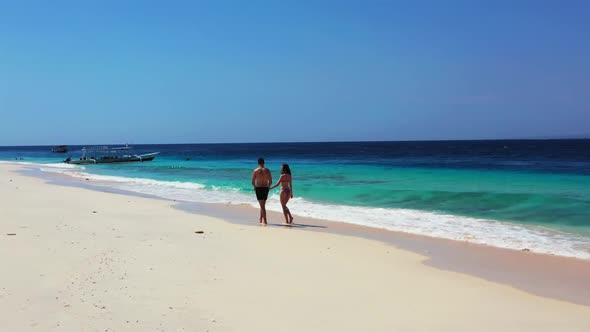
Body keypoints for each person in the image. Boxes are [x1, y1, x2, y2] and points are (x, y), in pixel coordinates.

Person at [251, 157, 272, 225]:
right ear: (264, 163)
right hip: (265, 188)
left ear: (258, 163)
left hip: (259, 188)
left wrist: (255, 187)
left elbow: (253, 181)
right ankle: (260, 219)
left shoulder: (255, 171)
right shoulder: (267, 170)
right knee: (262, 204)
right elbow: (271, 181)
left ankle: (265, 220)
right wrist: (268, 187)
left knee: (262, 205)